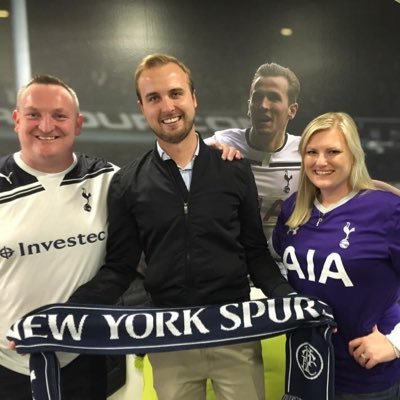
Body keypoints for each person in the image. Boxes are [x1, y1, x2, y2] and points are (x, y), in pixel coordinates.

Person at [69, 53, 295, 400]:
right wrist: (68, 310)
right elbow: (118, 268)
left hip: (233, 331)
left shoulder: (233, 169)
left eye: (175, 93)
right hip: (169, 338)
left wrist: (291, 298)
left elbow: (255, 253)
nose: (167, 106)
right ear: (141, 106)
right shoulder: (127, 182)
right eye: (154, 98)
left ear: (193, 98)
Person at [0, 74, 119, 400]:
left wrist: (216, 148)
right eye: (34, 114)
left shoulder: (107, 180)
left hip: (84, 359)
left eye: (60, 116)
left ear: (78, 124)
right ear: (16, 120)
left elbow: (170, 180)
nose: (46, 125)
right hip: (8, 365)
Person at [270, 111, 400, 399]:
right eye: (311, 152)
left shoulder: (387, 210)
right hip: (306, 370)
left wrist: (395, 342)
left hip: (365, 379)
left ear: (353, 155)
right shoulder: (294, 209)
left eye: (333, 152)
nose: (320, 161)